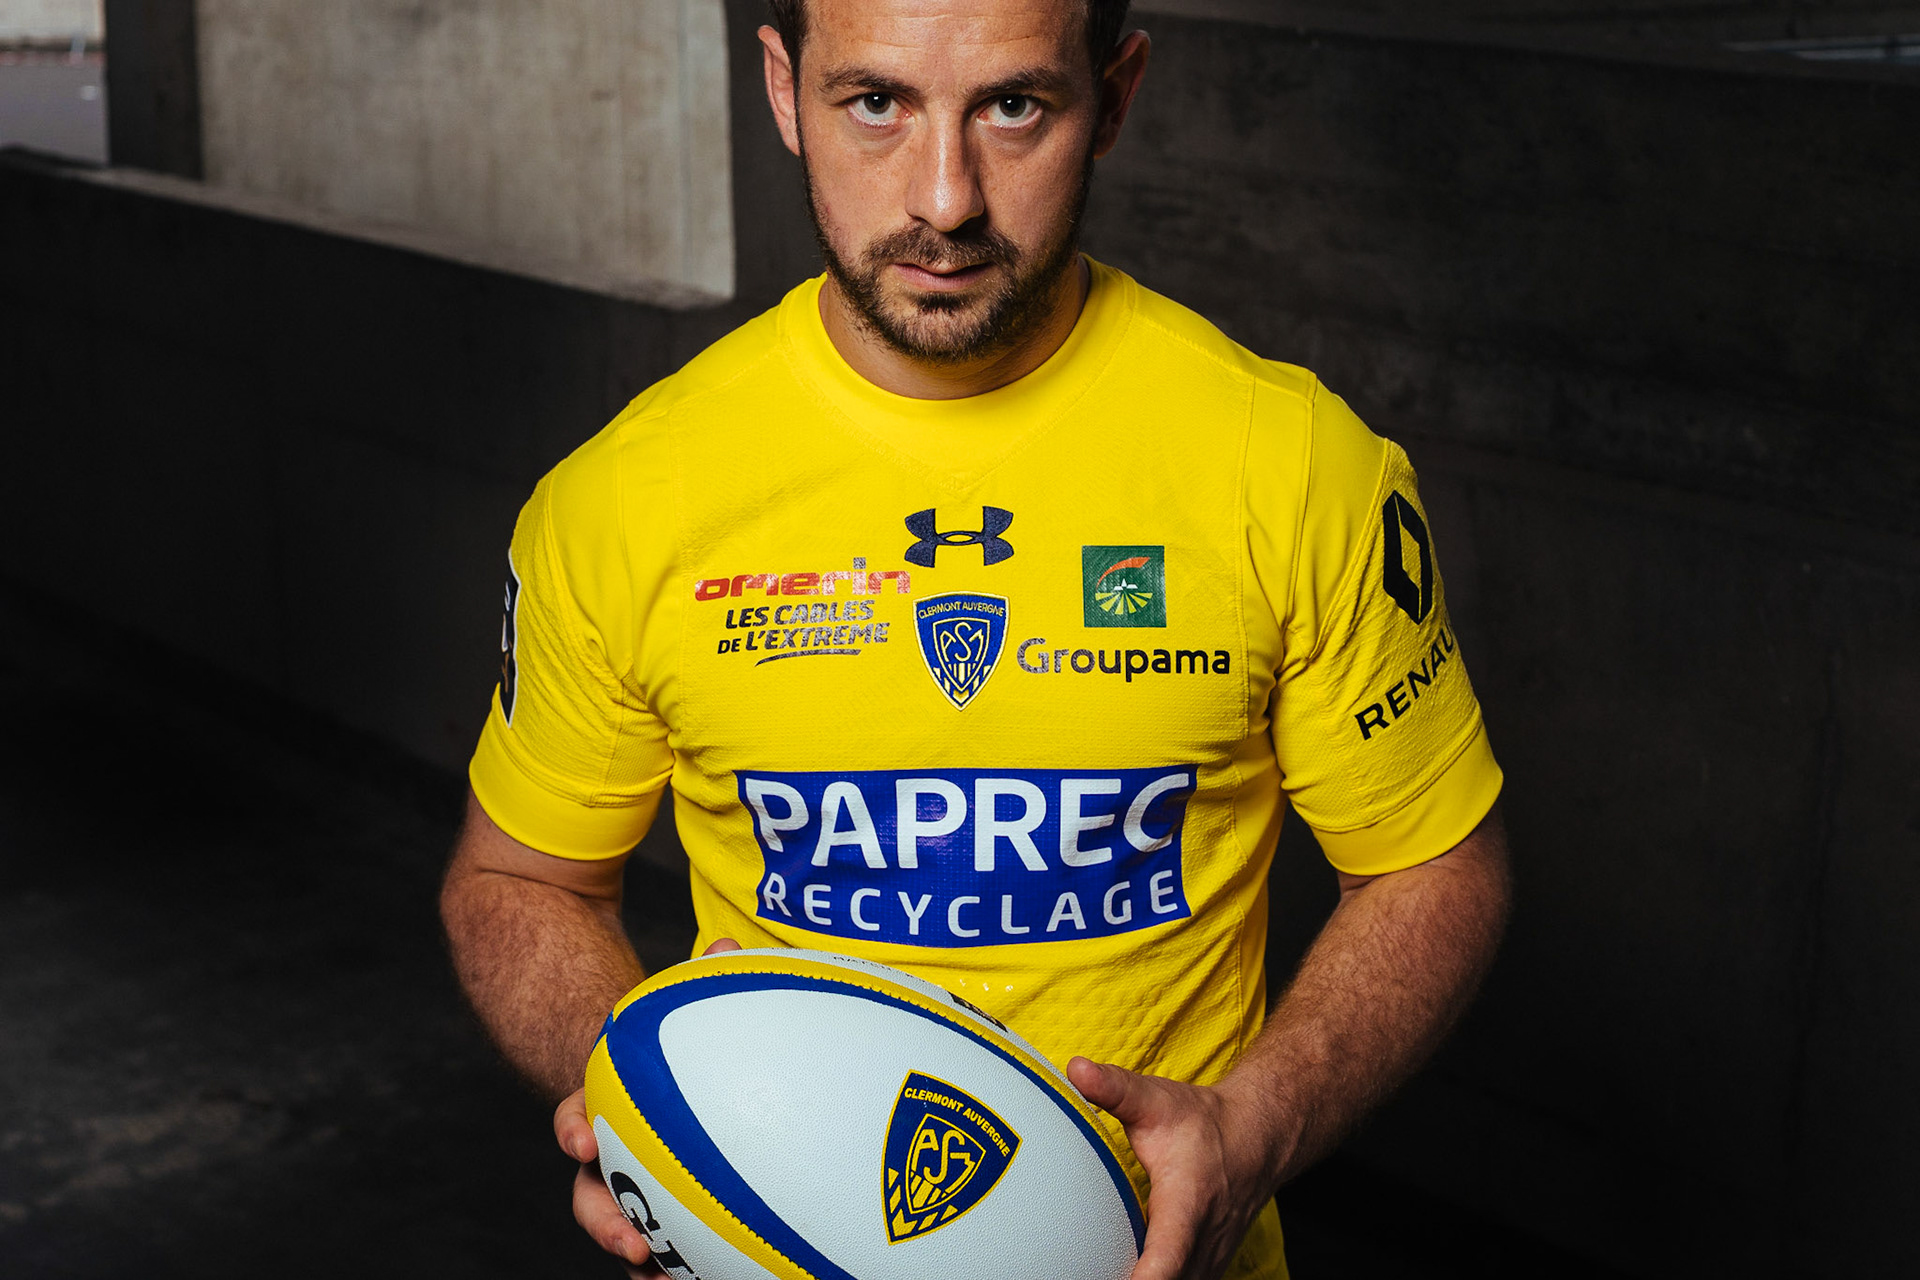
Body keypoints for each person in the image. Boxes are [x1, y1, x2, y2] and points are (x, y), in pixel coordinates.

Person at [439, 0, 1511, 1276]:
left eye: (1013, 106)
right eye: (874, 103)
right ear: (782, 90)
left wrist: (1256, 1128)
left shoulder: (1288, 467)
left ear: (1114, 95)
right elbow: (519, 879)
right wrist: (647, 1110)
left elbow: (1434, 863)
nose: (944, 199)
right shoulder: (627, 500)